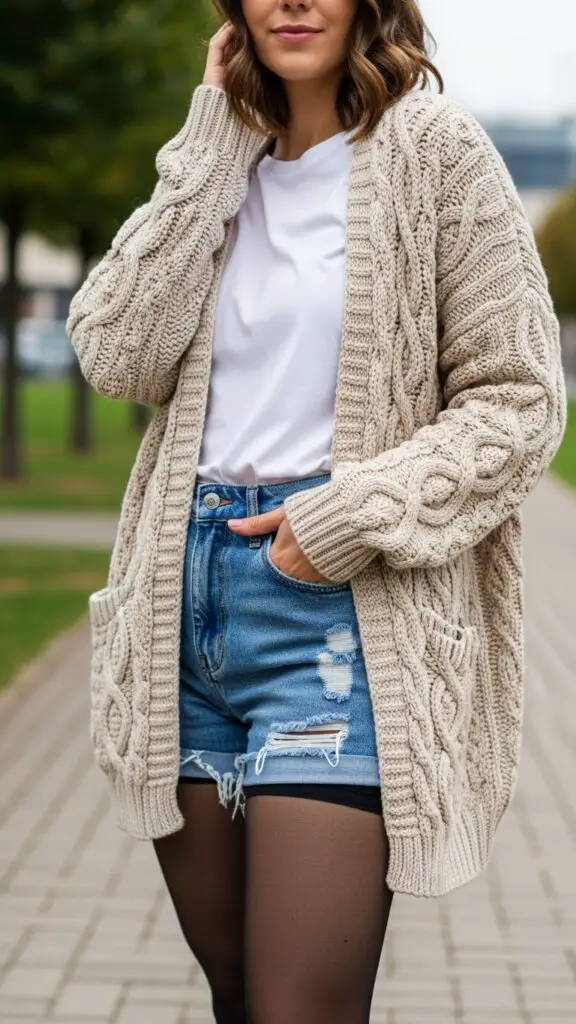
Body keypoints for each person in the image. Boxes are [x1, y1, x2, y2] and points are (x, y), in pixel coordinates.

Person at [67, 1, 567, 1021]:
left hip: (335, 619)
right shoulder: (223, 160)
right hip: (180, 618)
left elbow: (520, 400)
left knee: (298, 1007)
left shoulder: (437, 153)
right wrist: (210, 138)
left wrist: (348, 517)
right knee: (242, 997)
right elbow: (115, 354)